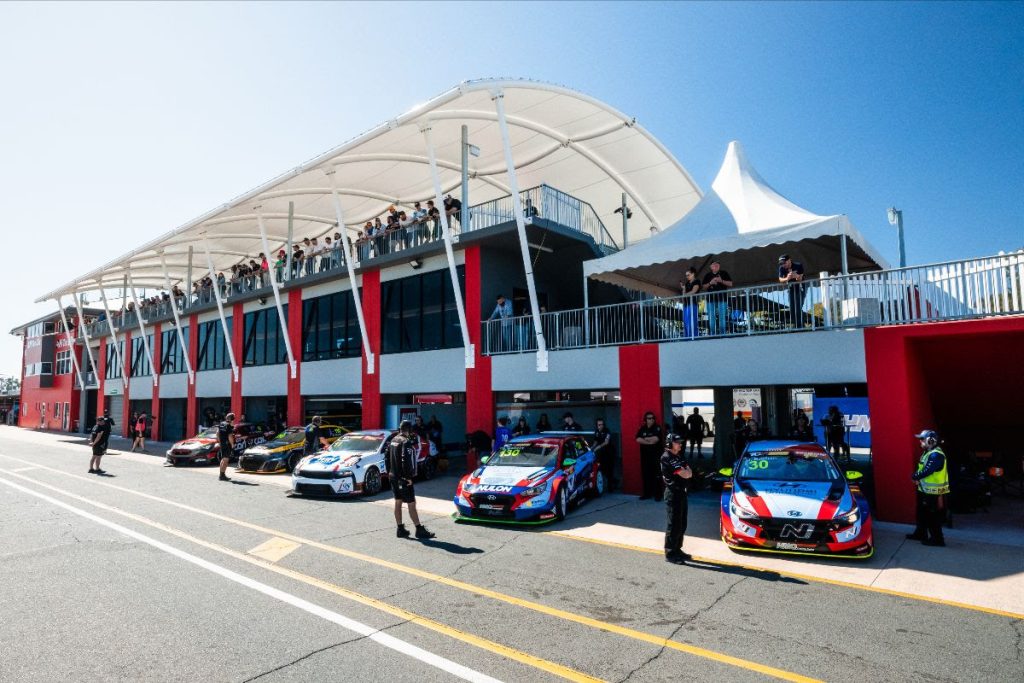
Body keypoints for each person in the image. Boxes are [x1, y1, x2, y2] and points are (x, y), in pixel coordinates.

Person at [388, 421, 435, 539]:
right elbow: (405, 460)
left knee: (398, 501)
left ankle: (400, 529)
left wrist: (391, 472)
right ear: (409, 430)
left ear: (400, 429)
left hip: (393, 476)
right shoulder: (406, 442)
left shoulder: (393, 440)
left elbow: (387, 457)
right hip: (403, 478)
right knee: (411, 503)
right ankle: (419, 529)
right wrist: (407, 477)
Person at [907, 429, 949, 547]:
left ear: (931, 441)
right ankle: (920, 533)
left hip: (932, 492)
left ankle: (938, 539)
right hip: (924, 489)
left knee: (932, 516)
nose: (920, 441)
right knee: (921, 513)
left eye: (922, 439)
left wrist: (915, 476)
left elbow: (928, 470)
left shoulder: (936, 455)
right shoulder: (927, 453)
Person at [661, 433, 693, 563]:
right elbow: (686, 474)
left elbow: (689, 471)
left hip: (682, 493)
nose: (680, 444)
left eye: (680, 442)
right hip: (673, 493)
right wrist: (686, 471)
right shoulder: (667, 457)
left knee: (682, 523)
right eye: (677, 442)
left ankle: (677, 549)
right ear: (670, 443)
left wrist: (687, 471)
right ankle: (670, 553)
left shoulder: (678, 456)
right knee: (673, 524)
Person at [635, 412, 664, 501]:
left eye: (652, 418)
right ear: (645, 420)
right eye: (649, 418)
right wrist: (649, 441)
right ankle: (647, 494)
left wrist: (645, 439)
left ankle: (658, 495)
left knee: (657, 475)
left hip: (655, 456)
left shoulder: (657, 428)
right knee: (646, 475)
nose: (651, 420)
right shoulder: (642, 428)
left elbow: (655, 440)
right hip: (645, 456)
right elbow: (637, 439)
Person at [701, 259, 733, 336]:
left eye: (717, 264)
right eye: (714, 264)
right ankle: (712, 335)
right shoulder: (707, 275)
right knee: (711, 319)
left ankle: (723, 335)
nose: (716, 266)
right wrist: (710, 283)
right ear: (710, 266)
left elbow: (730, 284)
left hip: (722, 299)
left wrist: (721, 281)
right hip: (710, 300)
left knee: (722, 318)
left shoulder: (724, 273)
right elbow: (703, 287)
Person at [778, 254, 806, 327]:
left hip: (800, 288)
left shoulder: (798, 265)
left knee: (798, 307)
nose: (783, 264)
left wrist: (796, 276)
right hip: (791, 289)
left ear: (789, 260)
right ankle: (796, 325)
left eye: (784, 262)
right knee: (792, 308)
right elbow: (780, 280)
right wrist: (787, 278)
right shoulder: (781, 268)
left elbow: (800, 278)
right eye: (781, 263)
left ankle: (800, 326)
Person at [592, 418, 617, 491]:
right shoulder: (596, 431)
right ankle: (613, 482)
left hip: (609, 452)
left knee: (610, 469)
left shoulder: (607, 431)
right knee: (603, 469)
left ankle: (610, 487)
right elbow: (595, 441)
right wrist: (592, 448)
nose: (600, 426)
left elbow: (606, 442)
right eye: (599, 425)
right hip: (602, 453)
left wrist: (598, 447)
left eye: (602, 424)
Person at [680, 267, 702, 339]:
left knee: (692, 321)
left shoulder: (697, 281)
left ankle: (693, 338)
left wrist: (685, 294)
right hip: (686, 304)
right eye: (686, 275)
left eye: (688, 275)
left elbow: (694, 291)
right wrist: (683, 289)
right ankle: (687, 337)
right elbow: (684, 294)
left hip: (693, 304)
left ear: (693, 274)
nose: (687, 277)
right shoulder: (687, 283)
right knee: (686, 322)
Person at [217, 412, 236, 481]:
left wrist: (220, 442)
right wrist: (232, 444)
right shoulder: (228, 425)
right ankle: (222, 476)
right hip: (227, 444)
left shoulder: (221, 423)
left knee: (223, 459)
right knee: (226, 460)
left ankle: (221, 475)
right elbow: (230, 436)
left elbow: (217, 433)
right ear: (232, 419)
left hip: (222, 443)